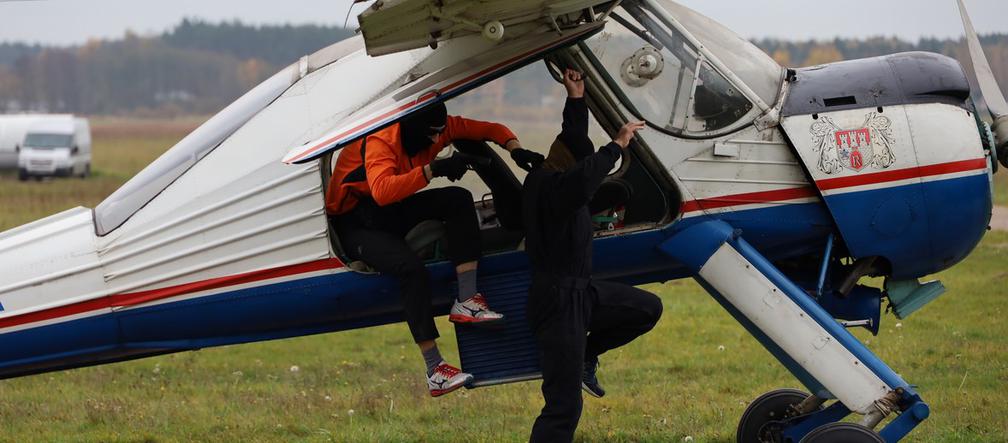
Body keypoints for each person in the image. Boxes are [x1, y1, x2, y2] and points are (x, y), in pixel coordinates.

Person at [326, 103, 545, 397]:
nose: (436, 141)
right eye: (431, 136)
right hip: (356, 221)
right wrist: (434, 169)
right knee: (411, 270)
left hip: (389, 210)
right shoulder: (382, 139)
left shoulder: (442, 128)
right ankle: (435, 371)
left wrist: (515, 149)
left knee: (457, 198)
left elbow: (491, 130)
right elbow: (382, 190)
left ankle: (467, 299)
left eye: (440, 134)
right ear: (412, 131)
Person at [522, 69, 663, 442]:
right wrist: (617, 145)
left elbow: (574, 143)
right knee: (563, 407)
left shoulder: (550, 175)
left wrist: (576, 98)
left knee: (648, 309)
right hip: (557, 303)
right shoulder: (554, 189)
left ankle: (587, 353)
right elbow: (583, 177)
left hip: (580, 292)